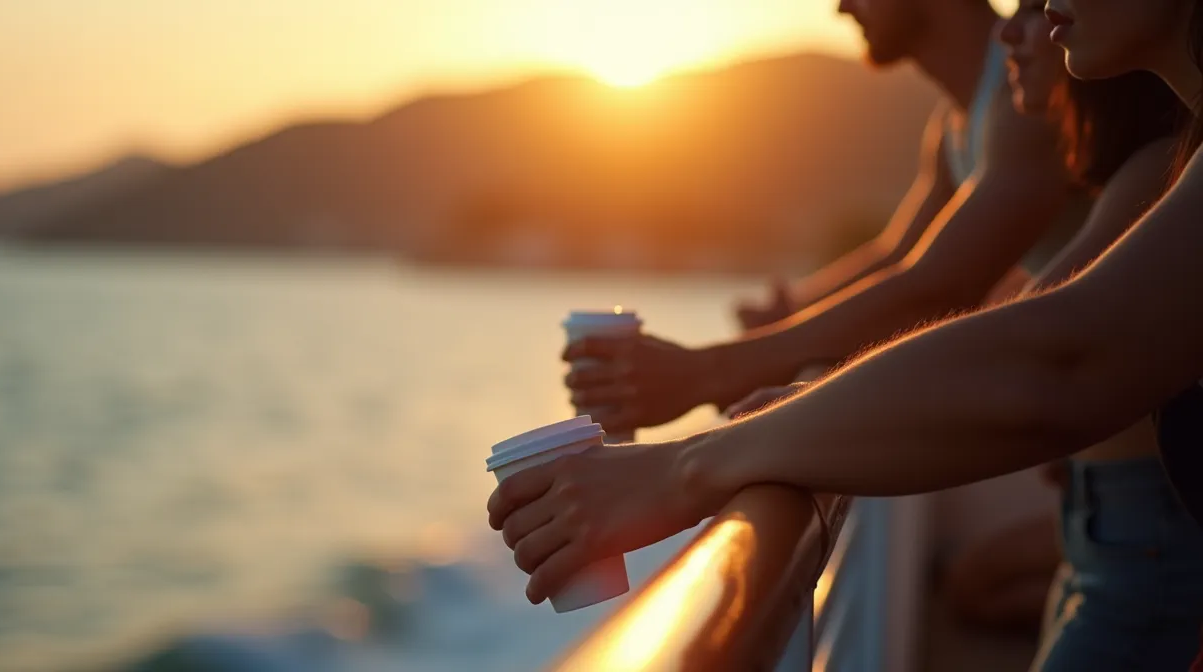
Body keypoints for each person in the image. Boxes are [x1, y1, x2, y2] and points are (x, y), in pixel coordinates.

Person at [490, 0, 1203, 668]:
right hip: (1106, 514)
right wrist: (782, 359)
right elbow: (922, 274)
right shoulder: (1170, 157)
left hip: (1149, 534)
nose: (1034, 16)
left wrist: (691, 448)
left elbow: (1029, 340)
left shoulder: (1099, 148)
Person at [568, 0, 1086, 433]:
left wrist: (706, 372)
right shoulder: (956, 122)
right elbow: (898, 253)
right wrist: (790, 313)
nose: (841, 7)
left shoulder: (1028, 105)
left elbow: (940, 286)